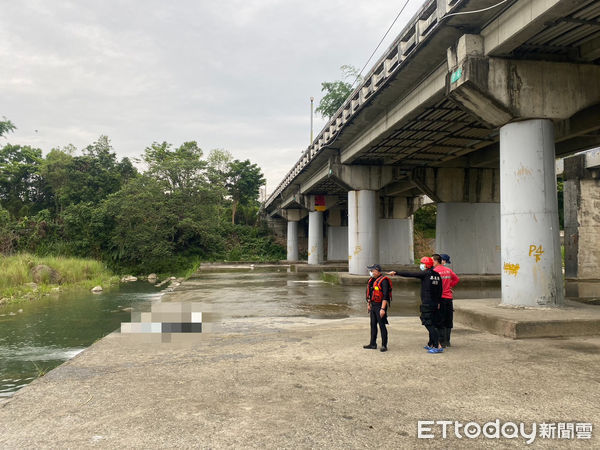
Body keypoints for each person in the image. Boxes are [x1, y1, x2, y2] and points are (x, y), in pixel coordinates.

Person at [389, 257, 443, 354]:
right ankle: (430, 343)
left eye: (422, 263)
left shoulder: (426, 274)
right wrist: (438, 302)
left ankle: (437, 345)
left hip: (427, 302)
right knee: (433, 322)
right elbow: (440, 290)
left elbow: (410, 274)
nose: (421, 265)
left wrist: (396, 272)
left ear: (427, 265)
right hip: (435, 303)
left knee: (428, 323)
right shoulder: (437, 275)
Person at [363, 264, 391, 352]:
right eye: (370, 271)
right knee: (373, 324)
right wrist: (369, 304)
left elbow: (385, 296)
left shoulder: (384, 281)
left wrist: (383, 309)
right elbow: (370, 294)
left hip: (380, 305)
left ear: (377, 271)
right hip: (373, 305)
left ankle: (384, 345)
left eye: (372, 271)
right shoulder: (371, 280)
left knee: (382, 325)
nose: (370, 272)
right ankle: (372, 344)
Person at [434, 253, 459, 347]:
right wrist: (450, 286)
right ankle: (447, 341)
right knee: (448, 320)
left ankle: (441, 341)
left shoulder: (435, 271)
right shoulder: (448, 270)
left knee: (440, 320)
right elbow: (456, 279)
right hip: (449, 298)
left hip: (440, 299)